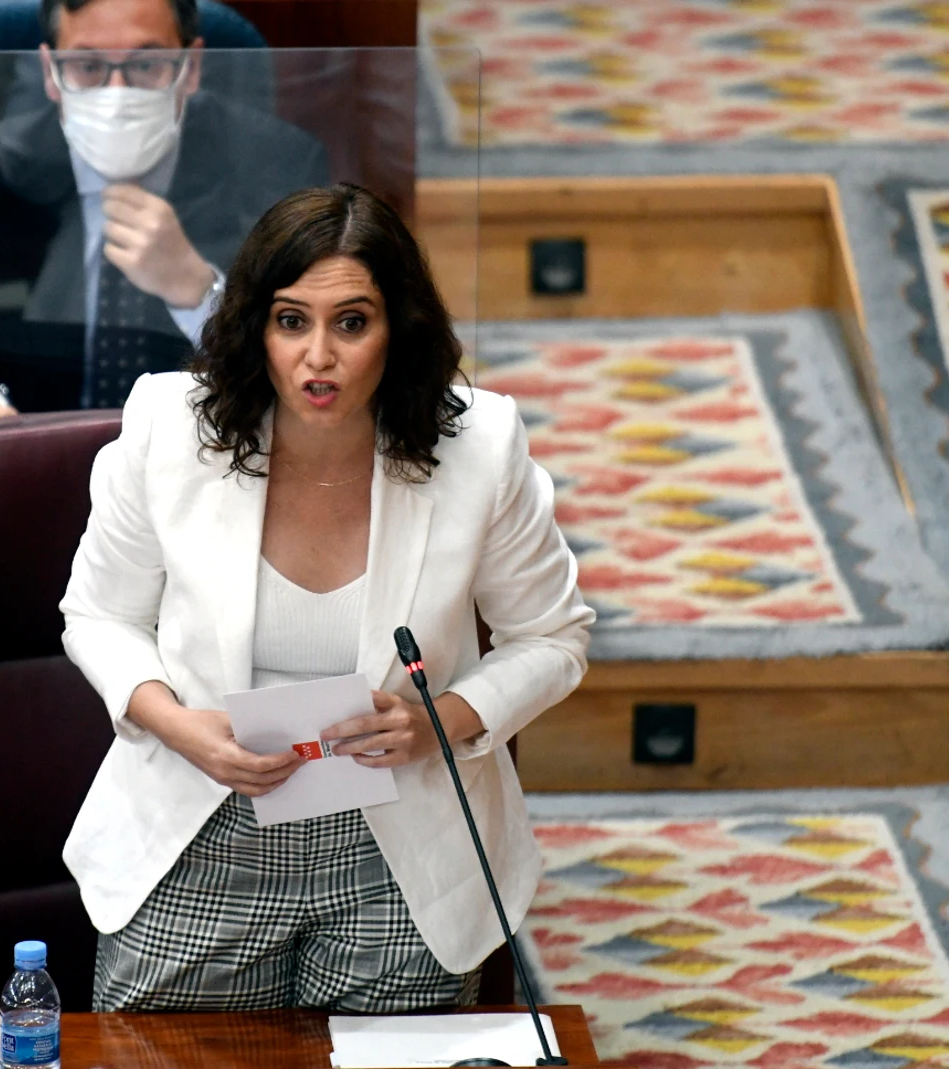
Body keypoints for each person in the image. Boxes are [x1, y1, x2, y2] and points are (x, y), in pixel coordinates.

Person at [60, 183, 594, 1011]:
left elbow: (553, 638)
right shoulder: (169, 427)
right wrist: (180, 724)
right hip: (204, 819)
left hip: (401, 841)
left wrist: (435, 724)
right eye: (290, 320)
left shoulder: (478, 446)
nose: (319, 355)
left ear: (397, 329)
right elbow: (99, 615)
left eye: (351, 322)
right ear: (254, 327)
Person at [0, 0, 331, 444]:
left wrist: (198, 293)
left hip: (205, 478)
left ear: (192, 66)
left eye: (147, 64)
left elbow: (318, 371)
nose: (117, 91)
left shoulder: (273, 170)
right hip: (18, 481)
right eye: (87, 66)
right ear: (50, 73)